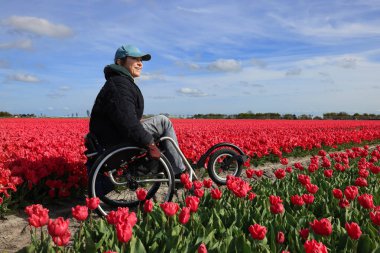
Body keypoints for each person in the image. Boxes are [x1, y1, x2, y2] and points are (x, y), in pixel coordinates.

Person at [89, 44, 185, 175]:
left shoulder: (120, 82)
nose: (140, 64)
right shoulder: (119, 85)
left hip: (114, 135)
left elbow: (125, 117)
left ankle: (169, 168)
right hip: (116, 139)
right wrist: (149, 143)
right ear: (119, 61)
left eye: (141, 60)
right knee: (163, 122)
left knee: (158, 122)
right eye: (135, 59)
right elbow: (127, 121)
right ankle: (179, 172)